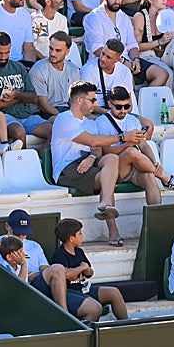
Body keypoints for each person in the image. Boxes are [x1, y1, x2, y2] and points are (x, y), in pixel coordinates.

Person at [49, 82, 125, 244]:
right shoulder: (64, 119)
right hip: (67, 169)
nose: (95, 104)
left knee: (112, 159)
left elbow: (96, 148)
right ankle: (113, 231)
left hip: (86, 162)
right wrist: (122, 138)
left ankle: (105, 203)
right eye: (92, 100)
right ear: (79, 101)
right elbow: (91, 140)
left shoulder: (90, 122)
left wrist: (91, 158)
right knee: (108, 180)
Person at [94, 85, 174, 203]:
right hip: (114, 170)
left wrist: (155, 163)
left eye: (127, 106)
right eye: (118, 107)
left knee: (149, 176)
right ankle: (165, 178)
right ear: (110, 104)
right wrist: (127, 143)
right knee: (131, 151)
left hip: (133, 167)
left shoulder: (133, 120)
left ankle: (155, 217)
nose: (123, 110)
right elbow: (105, 152)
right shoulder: (101, 122)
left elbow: (143, 145)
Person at [46, 219, 129, 321]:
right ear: (71, 238)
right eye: (79, 234)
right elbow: (65, 274)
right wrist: (82, 268)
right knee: (95, 307)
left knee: (113, 292)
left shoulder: (79, 252)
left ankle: (126, 323)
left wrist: (86, 271)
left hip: (83, 288)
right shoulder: (60, 255)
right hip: (69, 292)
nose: (82, 236)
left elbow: (89, 271)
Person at [0, 31, 49, 144]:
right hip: (3, 118)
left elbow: (34, 97)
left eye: (7, 52)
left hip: (26, 115)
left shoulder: (18, 67)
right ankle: (22, 161)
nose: (3, 57)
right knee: (19, 132)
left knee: (53, 130)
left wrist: (15, 94)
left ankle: (41, 159)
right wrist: (22, 97)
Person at [29, 31, 81, 121]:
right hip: (44, 113)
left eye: (58, 50)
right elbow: (43, 104)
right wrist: (64, 117)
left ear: (67, 51)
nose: (53, 53)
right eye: (51, 49)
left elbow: (74, 99)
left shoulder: (74, 70)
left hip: (66, 110)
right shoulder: (38, 69)